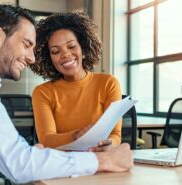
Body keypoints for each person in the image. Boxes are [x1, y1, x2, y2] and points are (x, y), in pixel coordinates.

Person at [0, 4, 133, 185]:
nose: (32, 58)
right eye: (26, 44)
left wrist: (36, 156)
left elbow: (15, 156)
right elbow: (17, 163)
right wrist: (103, 162)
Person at [30, 11, 122, 151]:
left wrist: (109, 144)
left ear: (83, 49)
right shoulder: (42, 92)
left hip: (100, 159)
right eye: (55, 51)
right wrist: (77, 135)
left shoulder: (108, 83)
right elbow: (47, 140)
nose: (65, 54)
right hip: (62, 164)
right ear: (49, 59)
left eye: (71, 46)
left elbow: (115, 135)